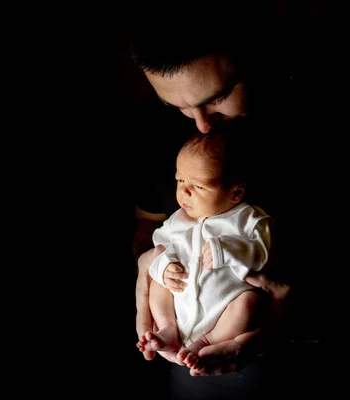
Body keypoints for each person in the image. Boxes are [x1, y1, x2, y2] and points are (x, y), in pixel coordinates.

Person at [124, 1, 342, 394]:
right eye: (177, 107)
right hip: (186, 366)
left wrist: (290, 321)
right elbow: (147, 224)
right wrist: (148, 265)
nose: (201, 124)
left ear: (257, 56)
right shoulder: (155, 133)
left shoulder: (321, 123)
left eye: (218, 96)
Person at [136, 130, 272, 376]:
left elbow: (263, 253)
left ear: (236, 194)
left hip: (224, 308)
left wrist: (230, 250)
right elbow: (158, 248)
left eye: (198, 186)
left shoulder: (248, 219)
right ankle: (167, 328)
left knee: (249, 302)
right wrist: (164, 268)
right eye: (180, 181)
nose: (184, 193)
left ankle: (208, 342)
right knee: (158, 273)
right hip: (180, 305)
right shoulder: (177, 221)